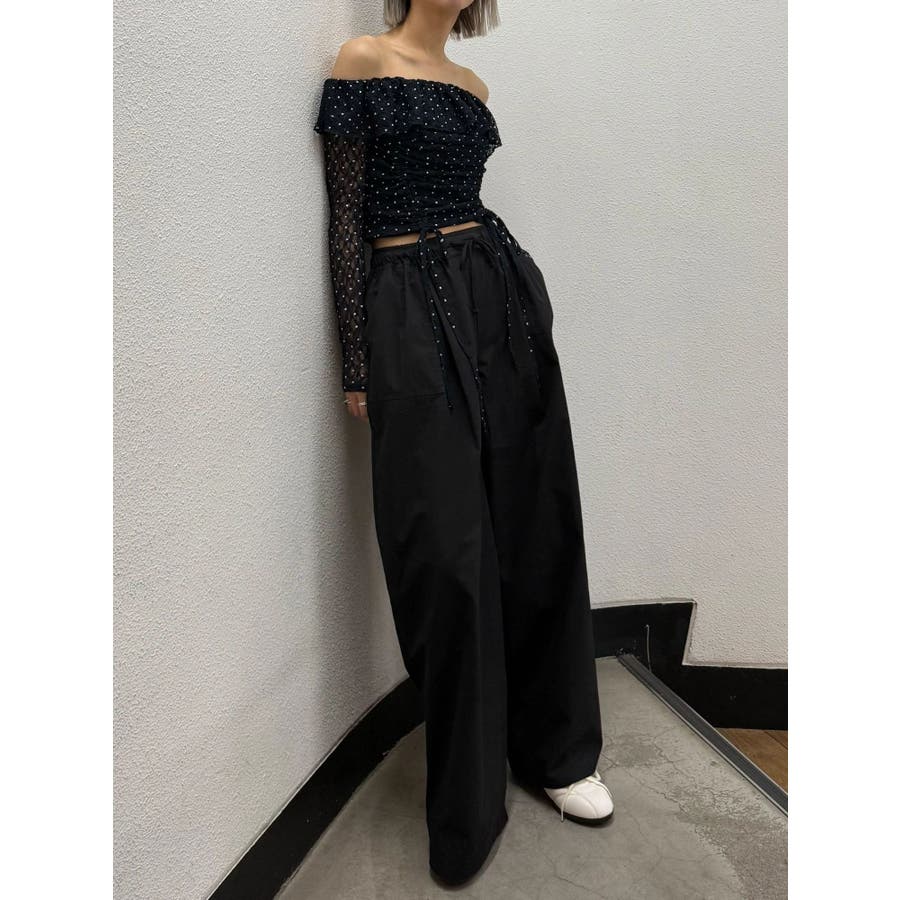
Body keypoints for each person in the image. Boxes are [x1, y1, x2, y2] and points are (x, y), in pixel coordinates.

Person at [313, 0, 614, 886]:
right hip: (406, 301)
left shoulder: (473, 84)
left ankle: (559, 752)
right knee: (444, 551)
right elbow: (345, 217)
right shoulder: (362, 60)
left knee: (537, 519)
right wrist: (358, 360)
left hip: (497, 294)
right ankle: (470, 797)